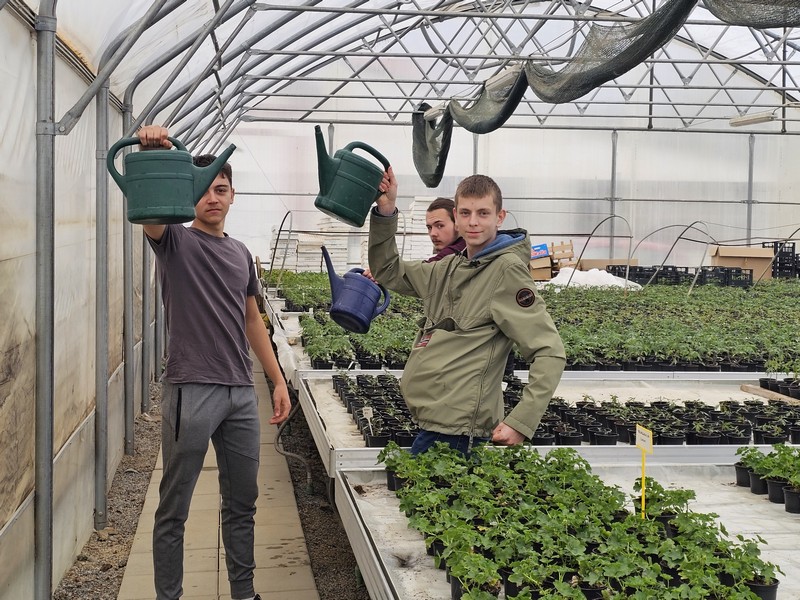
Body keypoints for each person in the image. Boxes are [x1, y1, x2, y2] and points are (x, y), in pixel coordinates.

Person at [136, 125, 291, 600]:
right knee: (174, 508)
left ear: (232, 195)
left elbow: (252, 320)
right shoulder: (174, 241)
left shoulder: (241, 253)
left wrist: (277, 380)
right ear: (189, 194)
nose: (212, 197)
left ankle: (245, 594)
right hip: (191, 390)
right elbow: (150, 214)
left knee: (242, 502)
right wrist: (154, 153)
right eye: (202, 189)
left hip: (240, 393)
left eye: (220, 188)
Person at [368, 168, 565, 454]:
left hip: (459, 432)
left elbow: (549, 351)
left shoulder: (506, 271)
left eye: (483, 213)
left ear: (500, 217)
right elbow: (387, 270)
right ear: (456, 217)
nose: (473, 222)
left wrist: (521, 422)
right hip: (436, 423)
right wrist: (386, 211)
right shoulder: (449, 268)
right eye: (465, 213)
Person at [424, 196, 465, 262]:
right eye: (429, 227)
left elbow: (426, 267)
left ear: (457, 222)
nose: (432, 234)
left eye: (440, 226)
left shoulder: (458, 250)